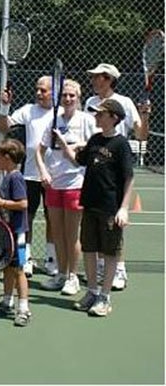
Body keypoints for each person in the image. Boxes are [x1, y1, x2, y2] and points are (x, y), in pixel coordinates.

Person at [62, 99, 134, 317]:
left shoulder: (121, 144)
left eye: (101, 114)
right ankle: (92, 292)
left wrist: (124, 208)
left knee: (110, 253)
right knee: (89, 249)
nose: (96, 116)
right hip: (90, 204)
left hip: (110, 207)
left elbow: (129, 178)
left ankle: (104, 297)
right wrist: (65, 146)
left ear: (113, 118)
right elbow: (79, 161)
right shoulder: (94, 139)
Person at [84, 63, 149, 290]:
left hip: (116, 171)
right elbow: (89, 131)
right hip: (95, 168)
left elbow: (141, 134)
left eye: (97, 76)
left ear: (108, 79)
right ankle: (102, 269)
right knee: (95, 222)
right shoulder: (90, 103)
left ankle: (118, 269)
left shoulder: (125, 103)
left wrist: (144, 115)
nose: (92, 79)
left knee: (115, 222)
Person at [36, 80, 97, 296]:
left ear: (79, 97)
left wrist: (71, 145)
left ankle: (73, 276)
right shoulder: (54, 121)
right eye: (64, 95)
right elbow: (39, 151)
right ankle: (61, 274)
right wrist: (43, 171)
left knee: (72, 235)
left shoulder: (86, 120)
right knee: (58, 233)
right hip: (54, 183)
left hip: (76, 183)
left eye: (72, 95)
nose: (68, 99)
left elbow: (94, 145)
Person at [0, 76, 57, 277]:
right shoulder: (28, 110)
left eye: (44, 90)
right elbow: (4, 128)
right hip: (30, 174)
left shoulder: (61, 113)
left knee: (53, 219)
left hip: (53, 176)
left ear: (53, 91)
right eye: (37, 89)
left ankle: (51, 260)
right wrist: (5, 107)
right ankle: (26, 259)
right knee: (26, 219)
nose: (39, 93)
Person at [0, 139, 31, 327]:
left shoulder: (16, 177)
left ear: (7, 157)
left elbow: (23, 204)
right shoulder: (6, 177)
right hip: (5, 233)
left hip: (17, 233)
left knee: (18, 270)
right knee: (7, 267)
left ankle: (23, 308)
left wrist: (0, 202)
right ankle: (7, 301)